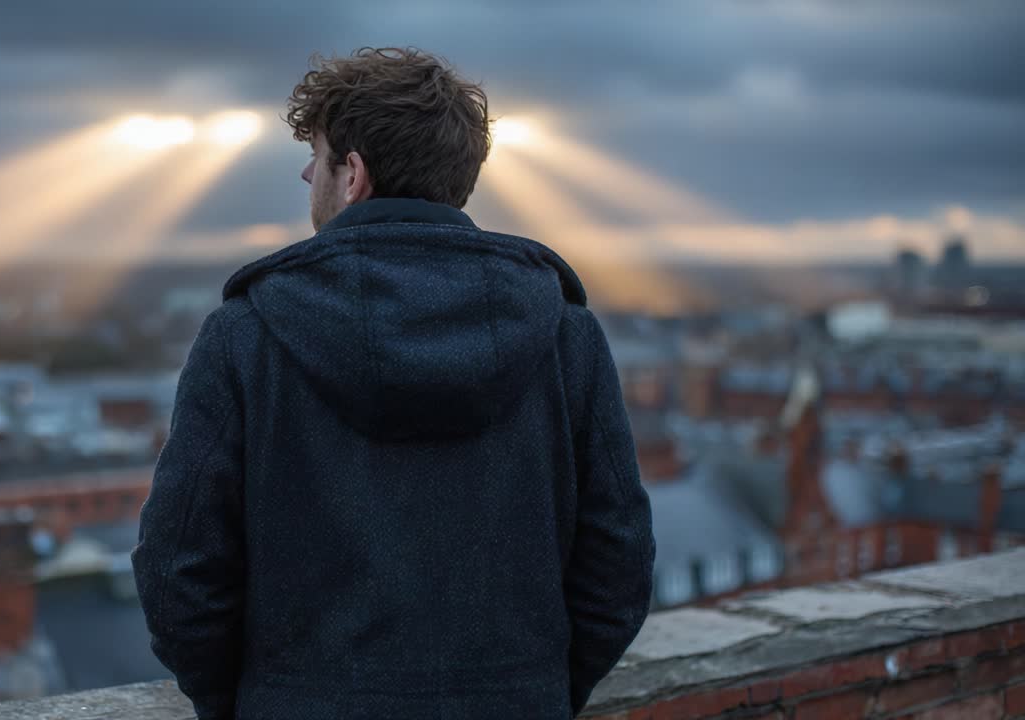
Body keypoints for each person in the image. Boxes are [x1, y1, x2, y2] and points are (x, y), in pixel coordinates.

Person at [131, 46, 655, 720]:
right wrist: (536, 692)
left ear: (353, 175)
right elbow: (619, 563)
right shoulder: (565, 334)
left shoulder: (246, 334)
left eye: (316, 156)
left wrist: (256, 702)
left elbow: (180, 575)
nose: (304, 172)